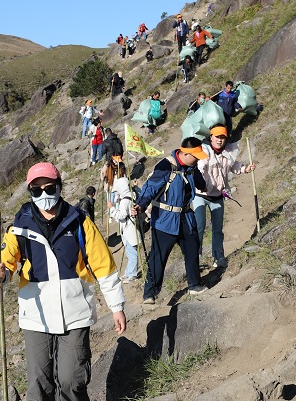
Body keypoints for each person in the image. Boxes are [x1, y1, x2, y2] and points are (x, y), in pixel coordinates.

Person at [0, 162, 126, 401]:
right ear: (30, 192)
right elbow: (4, 263)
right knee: (39, 383)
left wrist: (116, 306)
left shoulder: (80, 221)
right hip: (36, 316)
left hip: (75, 313)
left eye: (49, 188)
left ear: (59, 186)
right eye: (36, 191)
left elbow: (104, 266)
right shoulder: (20, 225)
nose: (44, 195)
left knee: (72, 378)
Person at [131, 137, 209, 304]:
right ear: (186, 153)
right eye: (196, 156)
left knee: (192, 250)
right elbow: (150, 188)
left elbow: (200, 183)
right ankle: (149, 295)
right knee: (158, 257)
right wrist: (140, 206)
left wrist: (204, 185)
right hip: (164, 220)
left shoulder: (192, 167)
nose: (198, 159)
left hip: (186, 218)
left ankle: (194, 285)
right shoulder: (165, 166)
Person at [193, 125, 256, 269]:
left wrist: (246, 169)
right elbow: (199, 167)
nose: (220, 140)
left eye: (222, 137)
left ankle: (219, 257)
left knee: (217, 228)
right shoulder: (204, 151)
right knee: (199, 226)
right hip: (200, 194)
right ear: (211, 137)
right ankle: (195, 257)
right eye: (217, 137)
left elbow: (235, 166)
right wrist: (200, 180)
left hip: (217, 196)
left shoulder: (228, 153)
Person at [108, 177, 140, 282]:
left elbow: (121, 215)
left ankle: (132, 274)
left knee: (131, 252)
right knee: (130, 251)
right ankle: (128, 272)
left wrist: (112, 208)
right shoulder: (132, 194)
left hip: (128, 229)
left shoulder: (125, 201)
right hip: (129, 228)